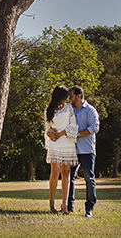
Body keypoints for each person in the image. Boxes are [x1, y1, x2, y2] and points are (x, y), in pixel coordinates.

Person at [44, 85, 79, 214]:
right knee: (55, 170)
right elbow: (47, 127)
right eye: (66, 96)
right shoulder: (48, 110)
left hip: (67, 140)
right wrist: (50, 132)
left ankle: (64, 205)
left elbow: (73, 125)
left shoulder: (69, 108)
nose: (68, 99)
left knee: (66, 172)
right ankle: (51, 204)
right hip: (55, 142)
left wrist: (62, 133)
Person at [66, 85, 99, 217]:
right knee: (69, 177)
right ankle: (69, 207)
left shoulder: (90, 110)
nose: (70, 99)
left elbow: (94, 128)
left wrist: (77, 134)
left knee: (89, 178)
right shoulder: (70, 110)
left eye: (72, 96)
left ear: (79, 96)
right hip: (72, 150)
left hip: (87, 150)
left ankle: (89, 209)